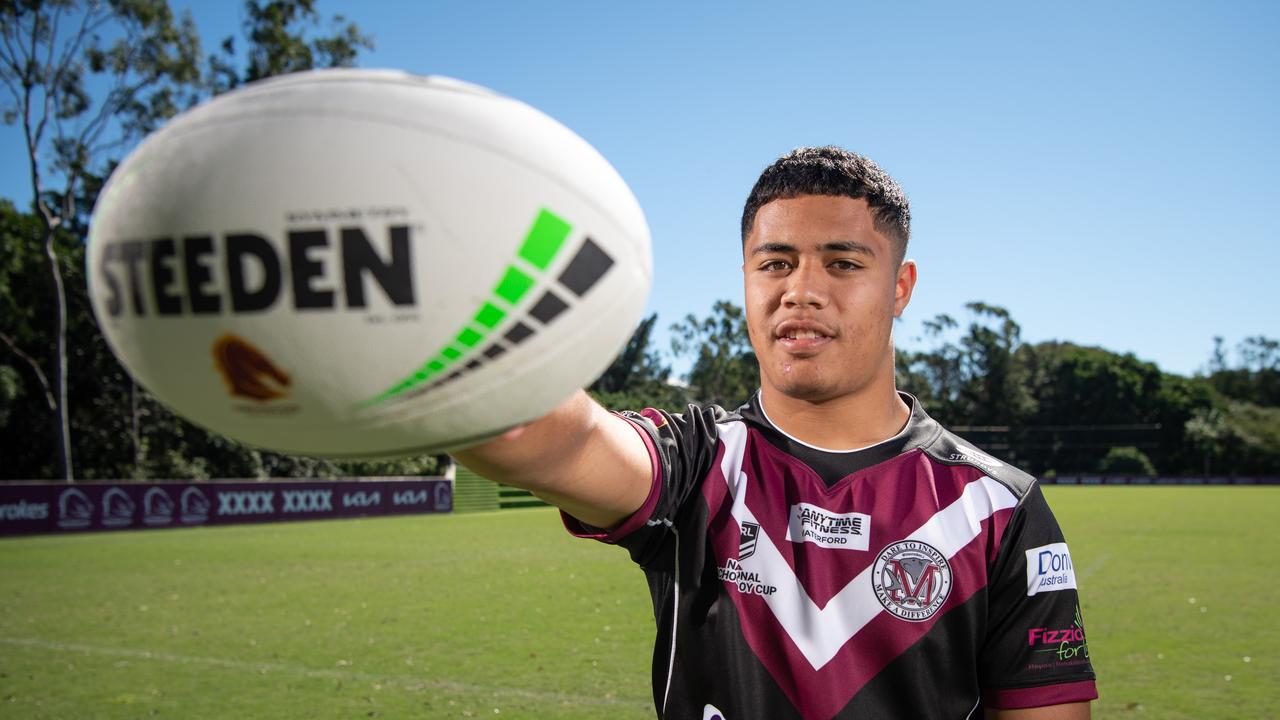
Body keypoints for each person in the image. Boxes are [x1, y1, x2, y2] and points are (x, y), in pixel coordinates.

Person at [455, 147, 1097, 719]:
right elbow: (540, 439)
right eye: (775, 263)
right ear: (745, 280)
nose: (801, 291)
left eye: (843, 264)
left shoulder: (998, 508)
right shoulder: (697, 464)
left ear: (900, 288)